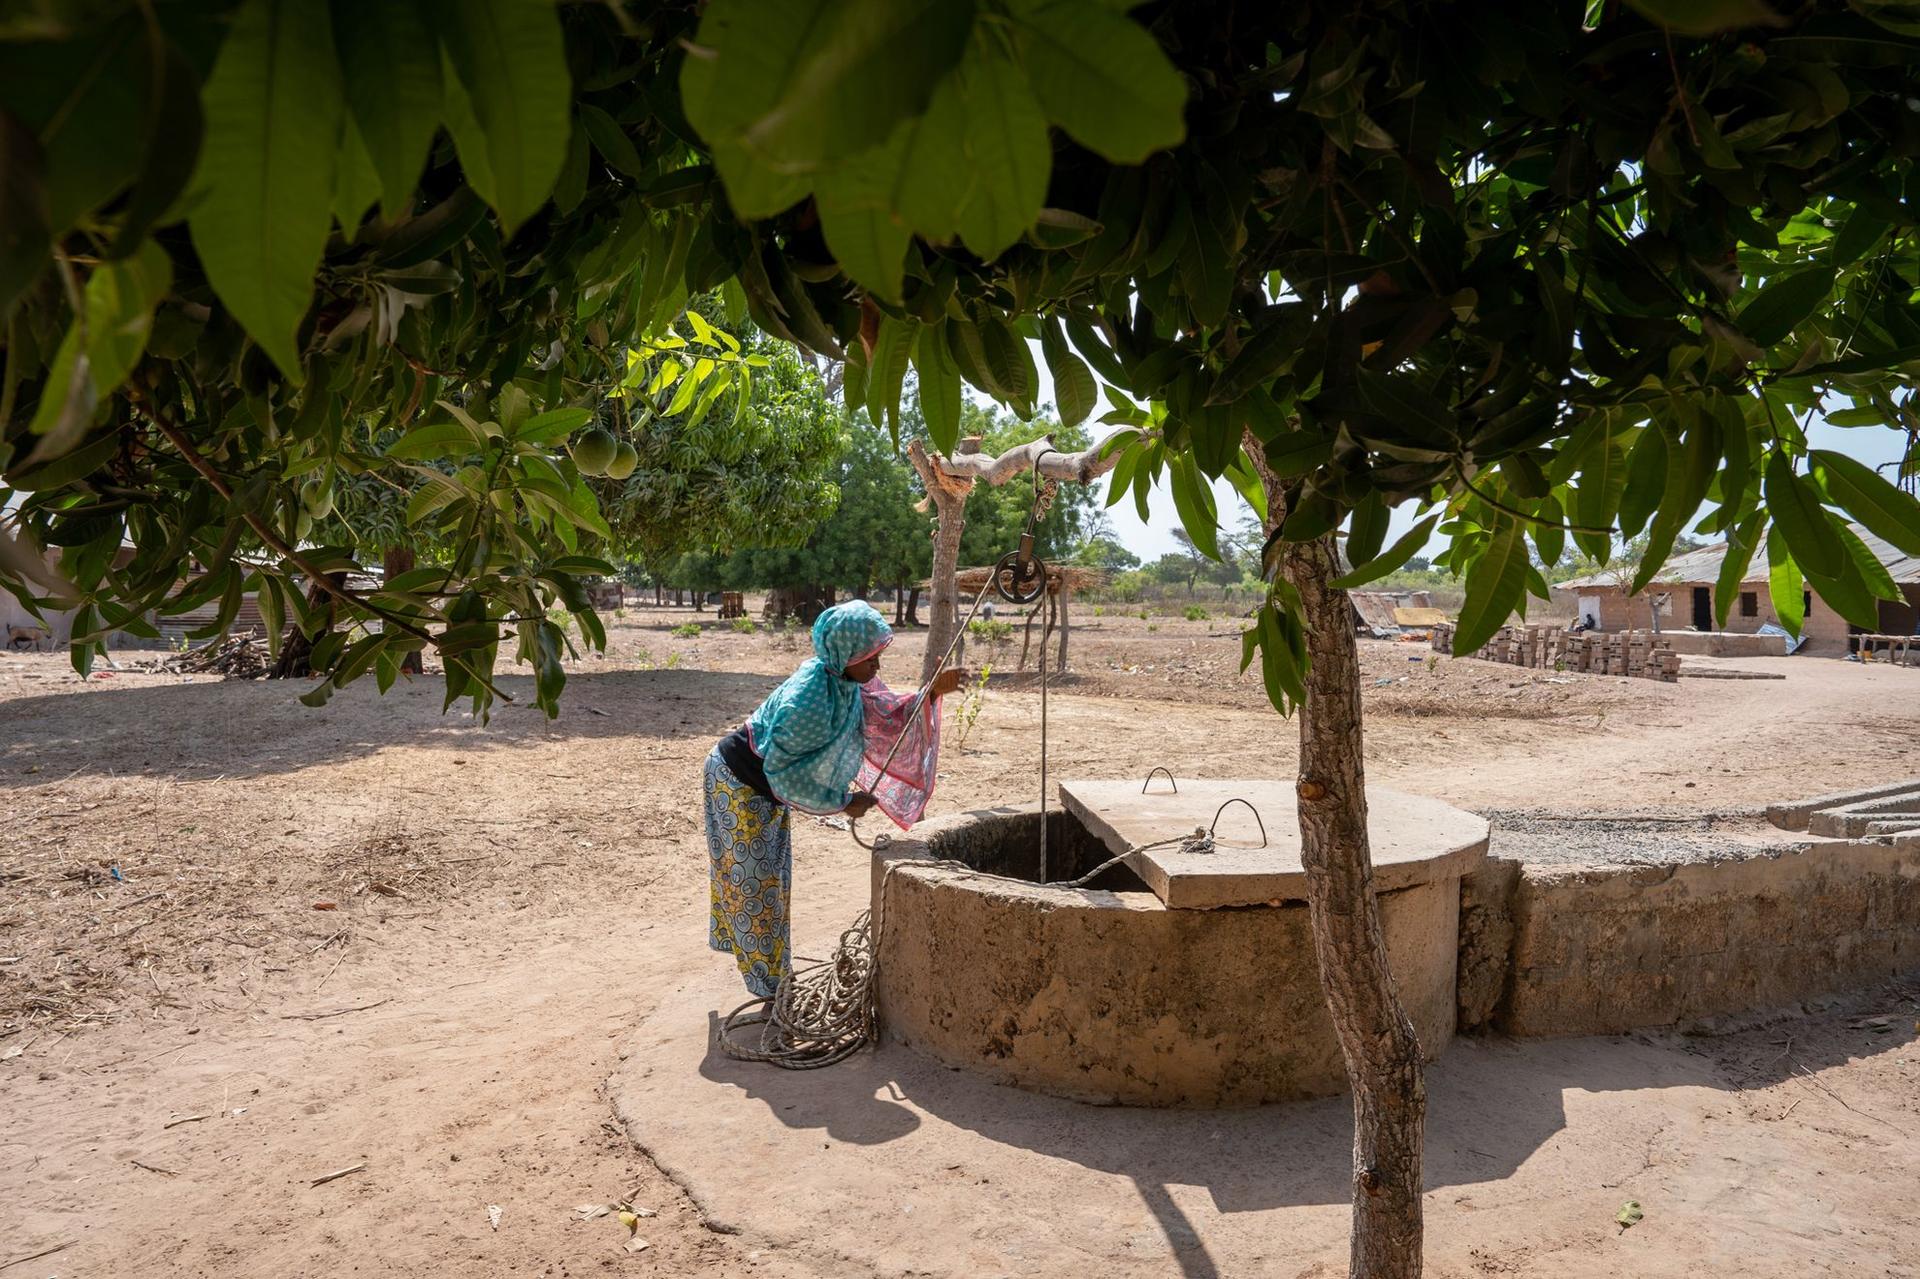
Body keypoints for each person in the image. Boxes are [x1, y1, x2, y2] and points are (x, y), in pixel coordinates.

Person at [704, 600, 968, 1000]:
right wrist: (841, 802)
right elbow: (782, 771)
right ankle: (772, 990)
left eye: (879, 656)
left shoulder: (844, 679)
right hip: (737, 781)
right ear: (846, 654)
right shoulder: (807, 701)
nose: (877, 668)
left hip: (761, 785)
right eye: (871, 658)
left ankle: (774, 980)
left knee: (771, 880)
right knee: (755, 885)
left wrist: (931, 692)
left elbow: (887, 713)